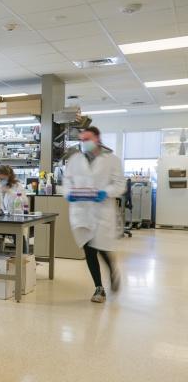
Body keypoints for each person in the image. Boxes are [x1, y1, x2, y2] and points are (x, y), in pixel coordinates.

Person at [63, 126, 125, 304]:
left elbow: (120, 184)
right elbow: (67, 180)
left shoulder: (111, 159)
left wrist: (105, 192)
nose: (84, 143)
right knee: (89, 249)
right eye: (82, 140)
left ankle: (112, 270)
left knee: (103, 248)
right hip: (81, 211)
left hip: (102, 210)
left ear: (97, 139)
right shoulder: (75, 159)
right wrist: (69, 193)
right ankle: (99, 287)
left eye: (87, 139)